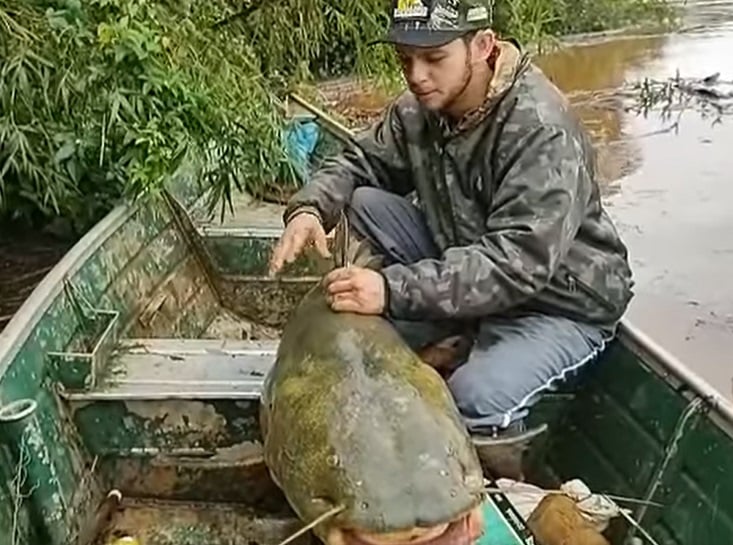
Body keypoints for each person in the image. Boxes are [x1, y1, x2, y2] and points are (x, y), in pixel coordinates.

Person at [268, 0, 634, 480]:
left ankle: (501, 484)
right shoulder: (419, 110)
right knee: (364, 200)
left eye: (434, 58)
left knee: (475, 398)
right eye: (405, 60)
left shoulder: (540, 127)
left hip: (557, 302)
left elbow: (516, 263)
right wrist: (310, 208)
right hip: (471, 272)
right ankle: (456, 333)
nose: (417, 76)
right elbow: (360, 162)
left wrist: (392, 290)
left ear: (483, 47)